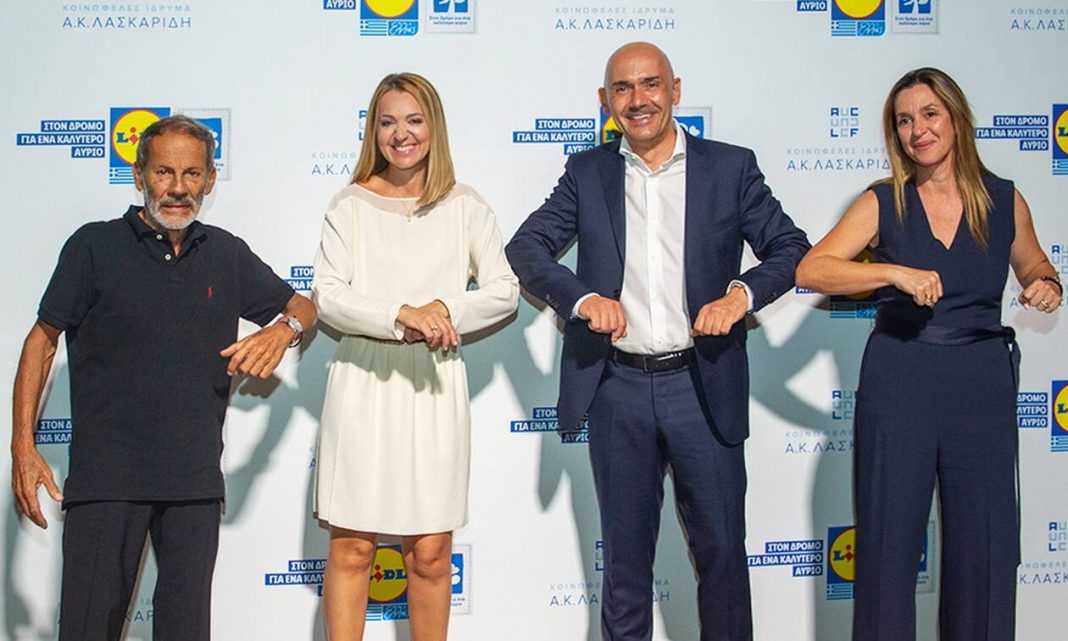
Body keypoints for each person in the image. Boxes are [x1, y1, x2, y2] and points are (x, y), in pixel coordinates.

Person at [506, 42, 810, 641]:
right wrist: (582, 301)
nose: (638, 99)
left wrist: (740, 296)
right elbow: (526, 248)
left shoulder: (730, 168)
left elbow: (790, 247)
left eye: (650, 84)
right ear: (605, 101)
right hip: (617, 388)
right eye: (622, 88)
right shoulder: (586, 173)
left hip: (703, 384)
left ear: (676, 89)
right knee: (623, 567)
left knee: (722, 555)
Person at [9, 114, 317, 641]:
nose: (178, 188)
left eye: (192, 173)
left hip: (193, 484)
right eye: (164, 172)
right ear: (139, 175)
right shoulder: (93, 246)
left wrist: (281, 330)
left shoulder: (225, 252)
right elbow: (42, 339)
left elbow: (303, 307)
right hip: (106, 483)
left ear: (210, 180)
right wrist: (23, 444)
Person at [796, 67, 1062, 641]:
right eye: (904, 121)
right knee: (887, 550)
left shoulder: (1004, 199)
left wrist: (1047, 284)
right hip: (900, 382)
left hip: (981, 385)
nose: (918, 130)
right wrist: (891, 272)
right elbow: (813, 270)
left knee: (984, 550)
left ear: (956, 117)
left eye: (930, 114)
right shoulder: (882, 201)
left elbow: (1035, 264)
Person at [311, 72, 518, 641]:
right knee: (352, 549)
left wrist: (442, 309)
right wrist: (401, 314)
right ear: (373, 132)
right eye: (387, 122)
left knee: (429, 553)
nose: (400, 134)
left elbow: (504, 292)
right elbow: (327, 295)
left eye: (413, 120)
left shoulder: (465, 204)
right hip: (362, 382)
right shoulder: (350, 204)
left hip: (433, 385)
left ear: (434, 127)